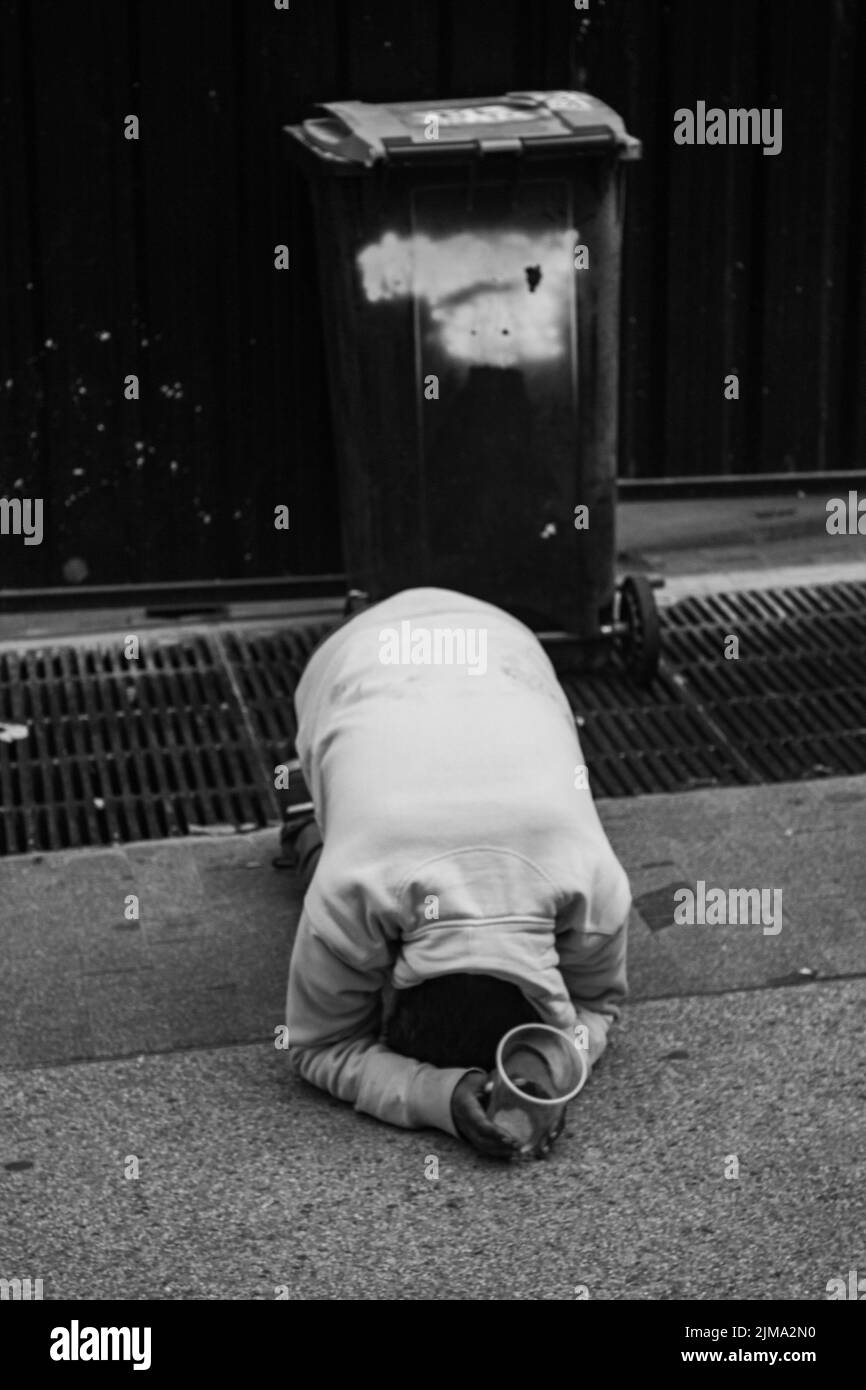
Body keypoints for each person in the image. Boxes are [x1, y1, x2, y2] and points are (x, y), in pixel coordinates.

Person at [283, 587, 631, 1158]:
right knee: (333, 853)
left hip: (501, 646)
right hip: (367, 658)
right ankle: (306, 817)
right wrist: (453, 1089)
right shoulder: (353, 888)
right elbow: (315, 1049)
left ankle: (311, 810)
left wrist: (448, 1091)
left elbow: (598, 1010)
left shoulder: (595, 884)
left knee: (346, 860)